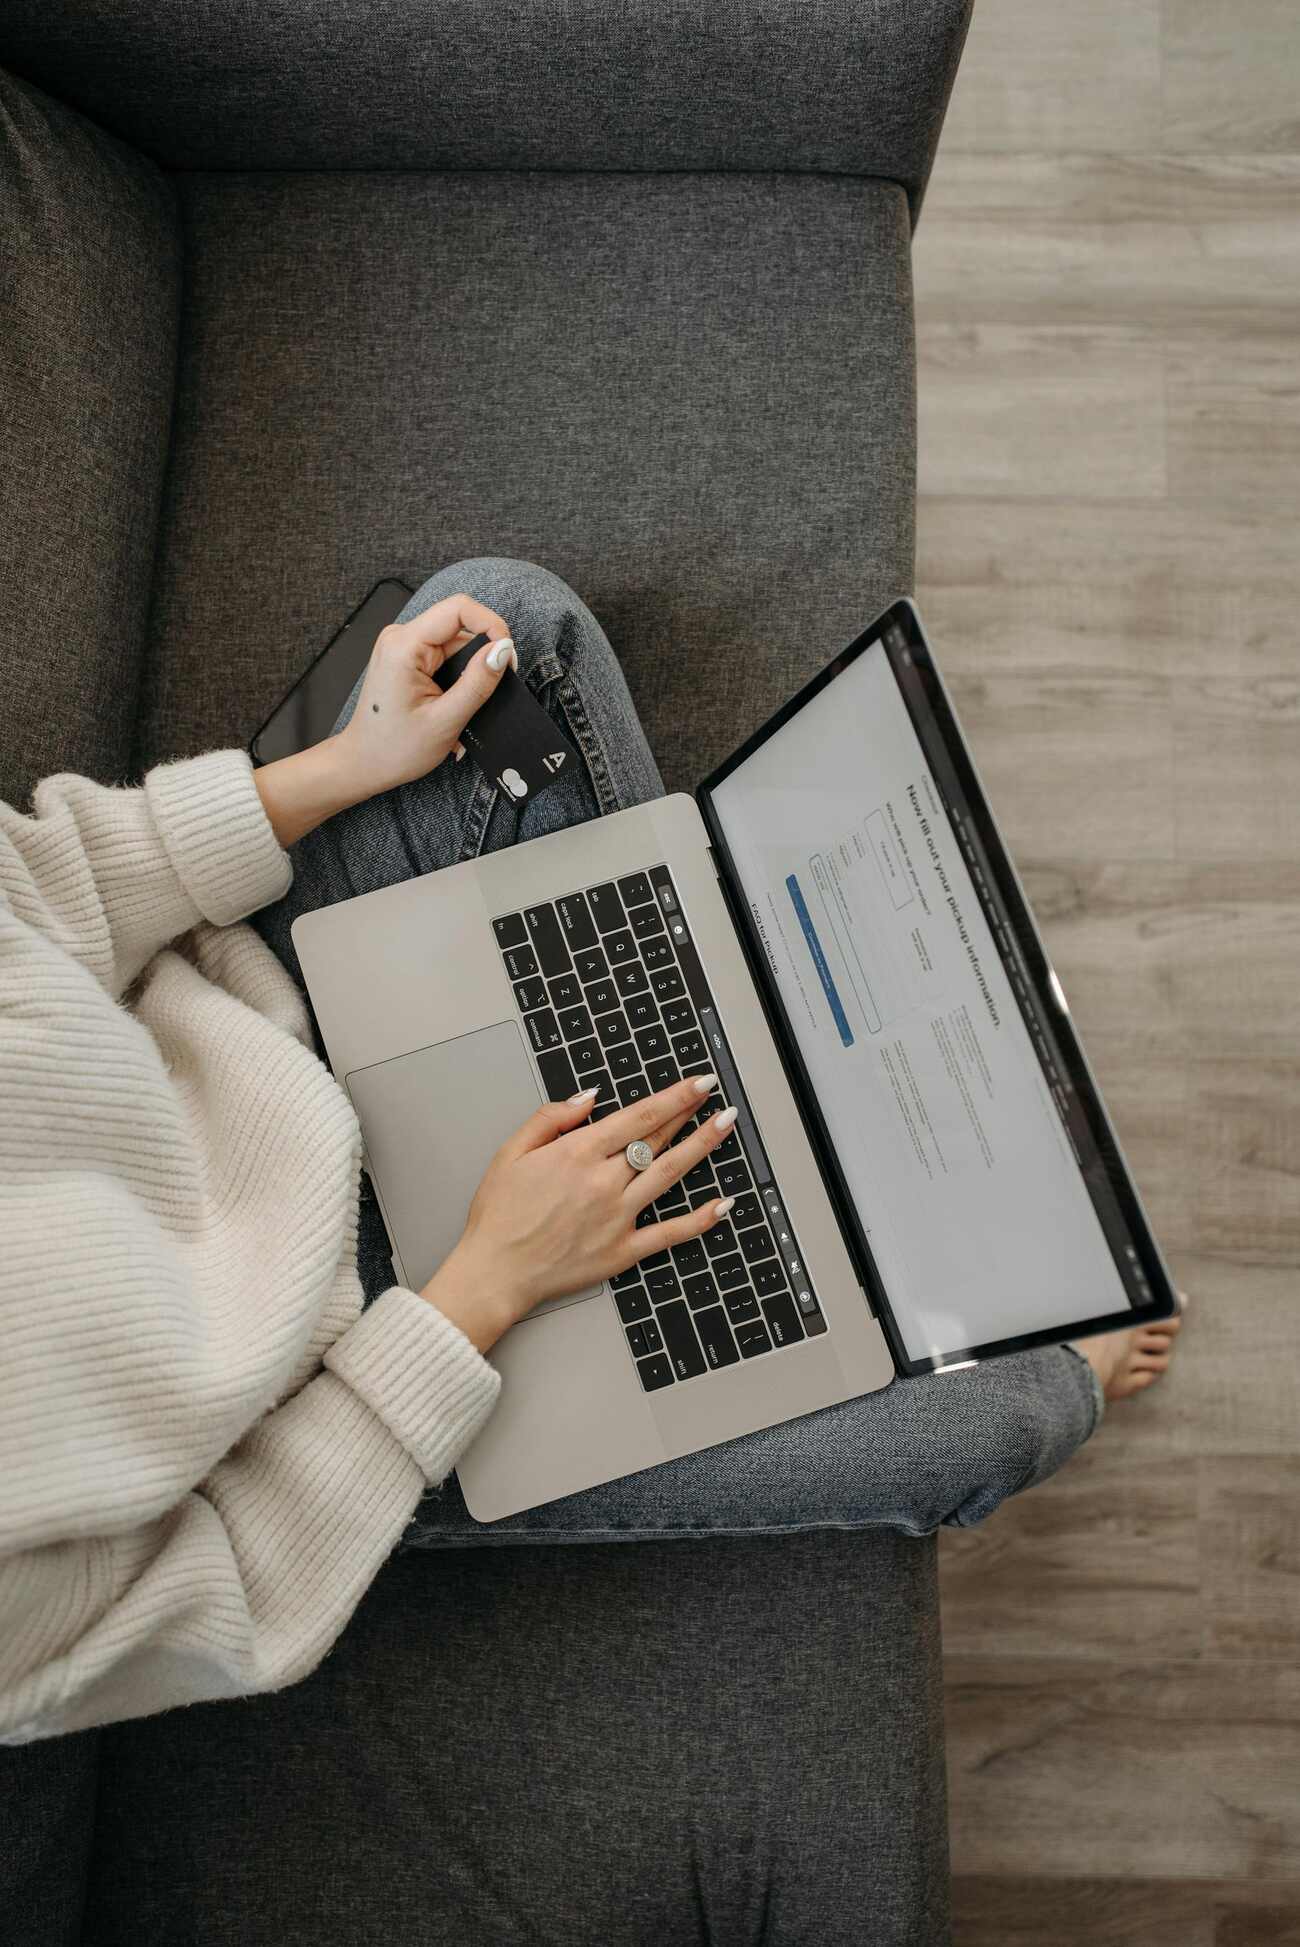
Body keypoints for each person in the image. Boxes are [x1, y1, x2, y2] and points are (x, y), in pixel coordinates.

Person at [0, 558, 1184, 1743]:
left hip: (265, 1013)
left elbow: (49, 886)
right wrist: (489, 1284)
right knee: (1014, 1411)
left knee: (509, 627)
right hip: (366, 1370)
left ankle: (747, 1035)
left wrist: (345, 764)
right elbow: (237, 1581)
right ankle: (810, 1103)